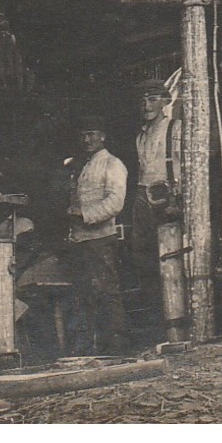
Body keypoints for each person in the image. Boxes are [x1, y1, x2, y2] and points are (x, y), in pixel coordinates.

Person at [66, 115, 128, 354]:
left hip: (101, 238)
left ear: (103, 136)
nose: (87, 139)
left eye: (92, 134)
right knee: (84, 294)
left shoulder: (112, 164)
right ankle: (88, 349)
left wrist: (84, 214)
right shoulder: (82, 165)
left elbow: (115, 203)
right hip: (80, 240)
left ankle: (116, 347)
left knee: (107, 292)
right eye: (83, 135)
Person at [130, 79, 179, 303]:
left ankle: (175, 307)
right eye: (143, 101)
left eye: (152, 100)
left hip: (167, 196)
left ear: (165, 102)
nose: (146, 106)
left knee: (170, 254)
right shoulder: (140, 136)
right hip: (143, 197)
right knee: (143, 254)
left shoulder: (176, 128)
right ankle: (155, 309)